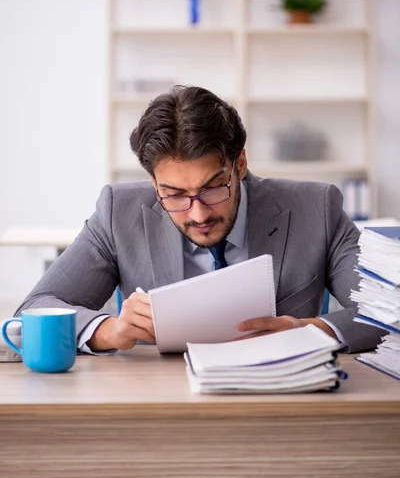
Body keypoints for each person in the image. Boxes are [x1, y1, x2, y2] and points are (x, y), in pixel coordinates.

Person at [16, 85, 381, 354]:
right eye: (174, 194)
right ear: (153, 182)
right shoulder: (118, 211)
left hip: (284, 407)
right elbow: (35, 309)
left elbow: (387, 311)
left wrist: (311, 330)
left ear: (239, 164)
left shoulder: (317, 207)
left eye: (212, 187)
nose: (198, 213)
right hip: (162, 409)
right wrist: (109, 330)